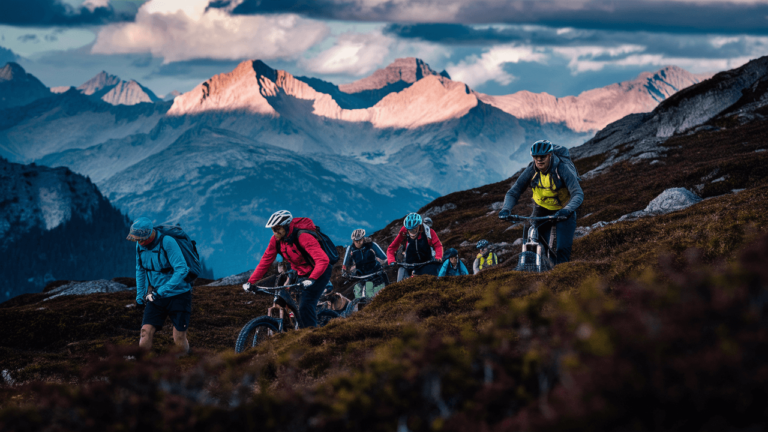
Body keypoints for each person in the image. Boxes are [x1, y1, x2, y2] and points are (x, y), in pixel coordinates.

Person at [498, 140, 584, 264]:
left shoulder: (562, 168)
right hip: (541, 208)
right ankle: (538, 270)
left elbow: (578, 193)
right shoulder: (531, 170)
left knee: (562, 249)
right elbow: (514, 192)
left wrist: (567, 210)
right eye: (535, 157)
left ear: (550, 155)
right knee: (532, 241)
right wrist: (506, 209)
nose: (539, 160)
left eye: (543, 156)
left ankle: (561, 274)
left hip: (564, 209)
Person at [245, 210, 332, 328]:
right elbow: (265, 261)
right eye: (273, 229)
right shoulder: (276, 240)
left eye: (278, 229)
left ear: (286, 226)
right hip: (302, 274)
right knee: (298, 307)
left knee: (305, 305)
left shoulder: (303, 237)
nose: (275, 232)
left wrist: (312, 279)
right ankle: (303, 327)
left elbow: (323, 260)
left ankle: (313, 338)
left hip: (320, 272)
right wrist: (250, 282)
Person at [129, 217, 192, 354]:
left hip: (179, 295)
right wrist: (140, 296)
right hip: (156, 296)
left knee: (179, 337)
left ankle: (186, 365)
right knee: (145, 331)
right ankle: (142, 367)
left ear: (150, 234)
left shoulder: (168, 242)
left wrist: (161, 291)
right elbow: (140, 270)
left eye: (141, 239)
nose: (139, 242)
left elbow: (182, 269)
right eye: (137, 239)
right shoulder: (140, 246)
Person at [387, 213, 443, 282]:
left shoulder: (428, 231)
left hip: (426, 263)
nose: (412, 232)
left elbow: (437, 245)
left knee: (434, 280)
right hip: (408, 264)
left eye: (414, 229)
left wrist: (438, 256)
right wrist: (391, 261)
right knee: (400, 280)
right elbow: (391, 248)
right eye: (409, 230)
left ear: (419, 226)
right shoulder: (403, 232)